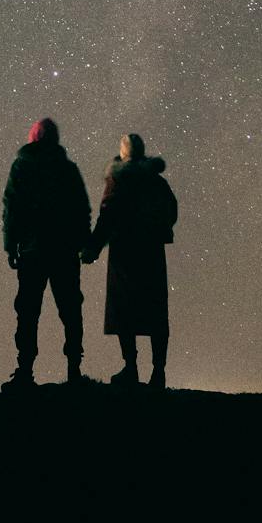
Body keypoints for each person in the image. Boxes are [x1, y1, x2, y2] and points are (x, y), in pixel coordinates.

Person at [1, 117, 91, 391]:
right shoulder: (68, 169)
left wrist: (10, 245)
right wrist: (83, 243)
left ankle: (25, 371)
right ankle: (74, 370)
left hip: (32, 250)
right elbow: (81, 208)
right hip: (64, 251)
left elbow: (11, 209)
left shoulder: (22, 167)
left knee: (28, 312)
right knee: (71, 310)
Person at [83, 133, 178, 389]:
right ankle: (158, 373)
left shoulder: (118, 180)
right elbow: (171, 211)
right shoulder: (157, 182)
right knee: (156, 312)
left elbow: (107, 216)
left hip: (125, 254)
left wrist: (92, 248)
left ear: (123, 153)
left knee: (124, 311)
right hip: (152, 254)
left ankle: (131, 368)